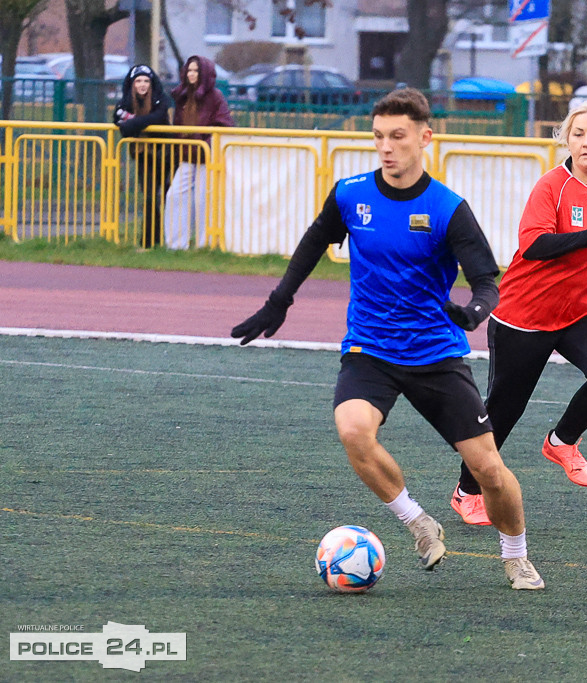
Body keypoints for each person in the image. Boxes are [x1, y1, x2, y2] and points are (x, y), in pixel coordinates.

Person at [230, 88, 544, 590]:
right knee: (353, 429)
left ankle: (516, 556)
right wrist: (279, 301)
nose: (386, 147)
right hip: (369, 348)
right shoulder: (352, 193)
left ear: (425, 137)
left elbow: (488, 279)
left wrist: (472, 312)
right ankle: (419, 523)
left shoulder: (447, 208)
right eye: (378, 136)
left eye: (397, 137)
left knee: (487, 468)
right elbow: (314, 241)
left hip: (436, 353)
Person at [450, 100, 587, 526]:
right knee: (503, 412)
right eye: (578, 134)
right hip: (524, 314)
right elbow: (533, 244)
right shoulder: (552, 186)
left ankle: (562, 440)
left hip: (583, 310)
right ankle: (466, 490)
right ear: (566, 140)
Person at [164, 55, 234, 250]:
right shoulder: (182, 95)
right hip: (187, 156)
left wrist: (205, 143)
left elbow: (225, 125)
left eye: (196, 70)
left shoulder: (215, 97)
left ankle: (205, 244)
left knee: (204, 200)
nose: (192, 74)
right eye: (189, 70)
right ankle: (176, 245)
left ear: (204, 74)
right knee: (175, 195)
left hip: (207, 158)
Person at [113, 64, 172, 248]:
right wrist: (131, 125)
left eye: (146, 81)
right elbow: (116, 118)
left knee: (167, 198)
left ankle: (169, 239)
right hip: (143, 156)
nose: (142, 85)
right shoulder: (126, 101)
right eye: (138, 81)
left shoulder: (160, 100)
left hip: (165, 156)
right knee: (149, 197)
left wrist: (132, 123)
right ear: (132, 84)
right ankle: (149, 241)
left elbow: (157, 117)